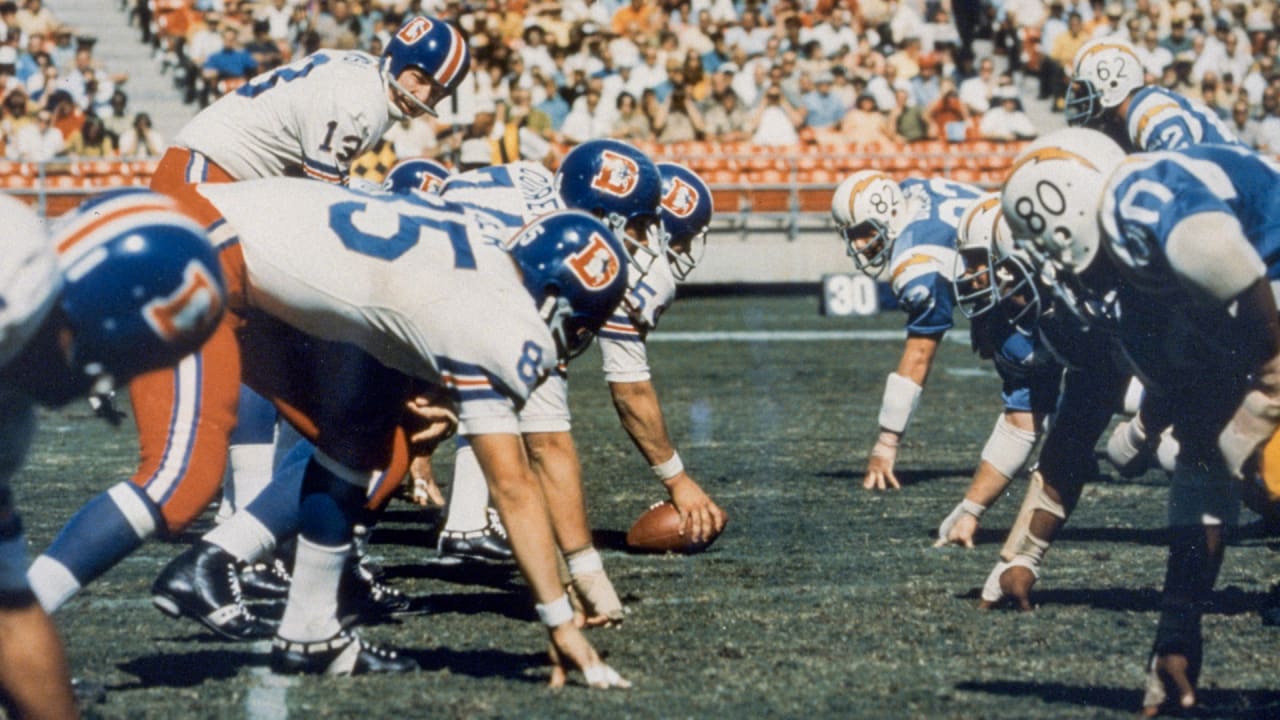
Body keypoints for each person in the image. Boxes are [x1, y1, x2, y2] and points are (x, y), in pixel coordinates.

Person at [24, 14, 474, 637]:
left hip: (229, 204)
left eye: (437, 90)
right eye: (422, 77)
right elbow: (322, 221)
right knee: (183, 477)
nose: (424, 95)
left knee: (371, 441)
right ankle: (21, 621)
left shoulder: (354, 79)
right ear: (396, 58)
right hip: (208, 197)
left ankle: (268, 566)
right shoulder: (359, 102)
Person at [181, 178, 631, 683]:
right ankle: (215, 561)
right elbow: (512, 484)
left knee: (366, 437)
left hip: (216, 228)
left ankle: (298, 620)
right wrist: (558, 619)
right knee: (172, 485)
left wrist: (433, 398)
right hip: (212, 254)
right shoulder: (504, 320)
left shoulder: (480, 250)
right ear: (554, 300)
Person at [1000, 128, 1280, 716]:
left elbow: (1224, 256)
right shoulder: (1139, 314)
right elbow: (1202, 466)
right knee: (1228, 455)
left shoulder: (1135, 198)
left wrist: (1268, 391)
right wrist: (1177, 633)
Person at [0, 189, 225, 719]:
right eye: (109, 366)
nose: (98, 386)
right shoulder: (13, 288)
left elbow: (9, 613)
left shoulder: (12, 413)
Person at [830, 170, 982, 490]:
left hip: (1032, 262)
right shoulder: (909, 190)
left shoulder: (916, 260)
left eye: (862, 230)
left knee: (1025, 360)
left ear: (888, 214)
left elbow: (919, 354)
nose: (858, 243)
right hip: (1002, 238)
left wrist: (887, 442)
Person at [1065, 37, 1239, 151]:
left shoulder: (1151, 114)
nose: (1079, 96)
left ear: (1112, 82)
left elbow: (1185, 180)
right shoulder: (1128, 119)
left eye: (1084, 88)